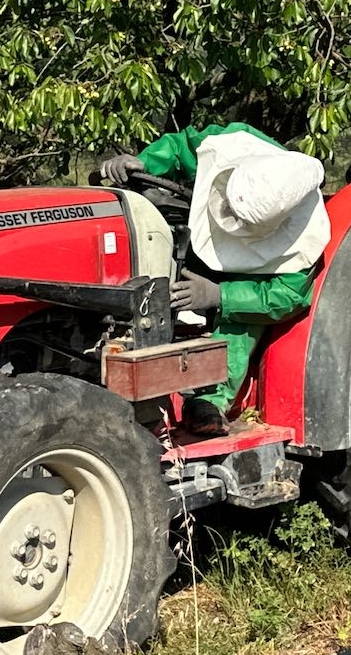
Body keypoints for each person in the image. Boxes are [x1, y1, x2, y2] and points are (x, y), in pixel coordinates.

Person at [101, 124, 329, 434]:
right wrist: (146, 161)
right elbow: (181, 146)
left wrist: (219, 295)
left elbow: (288, 296)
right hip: (198, 237)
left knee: (243, 319)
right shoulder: (230, 145)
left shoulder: (303, 240)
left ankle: (210, 399)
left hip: (243, 281)